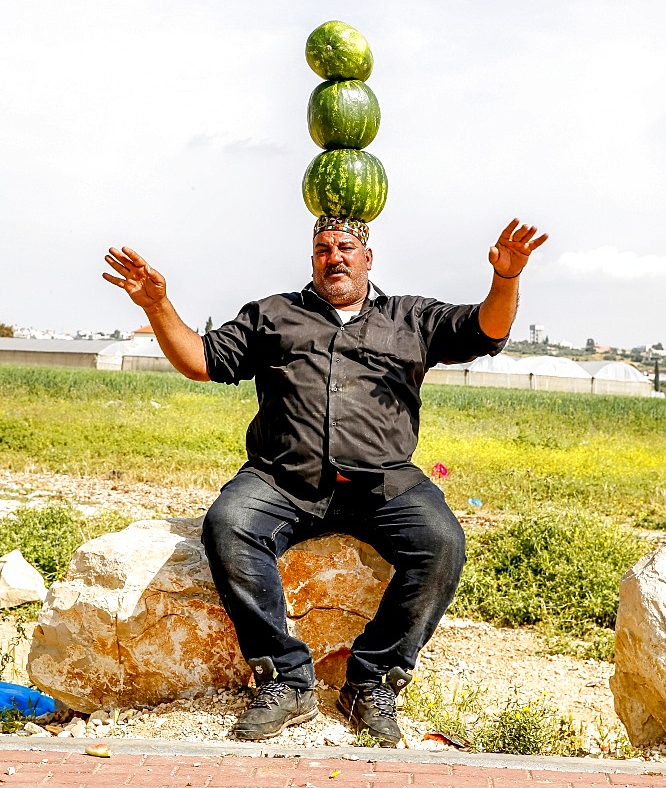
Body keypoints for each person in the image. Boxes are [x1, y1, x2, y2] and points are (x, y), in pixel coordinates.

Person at [103, 216, 547, 746]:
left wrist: (506, 279)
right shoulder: (272, 314)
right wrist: (156, 304)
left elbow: (486, 330)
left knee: (441, 541)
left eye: (346, 246)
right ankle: (286, 680)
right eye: (322, 248)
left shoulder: (411, 318)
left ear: (368, 257)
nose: (333, 256)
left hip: (384, 483)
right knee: (229, 524)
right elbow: (201, 361)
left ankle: (372, 680)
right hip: (282, 478)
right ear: (312, 258)